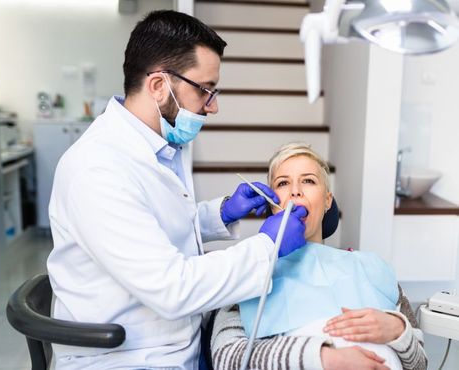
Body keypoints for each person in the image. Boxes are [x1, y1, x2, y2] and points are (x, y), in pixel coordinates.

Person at [46, 10, 325, 370]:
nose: (213, 105)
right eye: (205, 90)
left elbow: (154, 225)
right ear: (159, 86)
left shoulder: (158, 145)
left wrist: (220, 213)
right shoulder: (97, 169)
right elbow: (172, 289)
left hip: (177, 339)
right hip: (131, 358)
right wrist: (266, 247)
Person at [210, 143, 427, 370]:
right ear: (273, 205)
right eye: (283, 183)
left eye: (308, 181)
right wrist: (323, 358)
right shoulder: (250, 271)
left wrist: (398, 331)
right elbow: (227, 359)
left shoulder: (372, 269)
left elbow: (420, 364)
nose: (295, 191)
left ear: (327, 201)